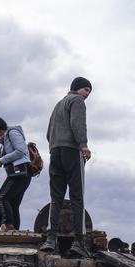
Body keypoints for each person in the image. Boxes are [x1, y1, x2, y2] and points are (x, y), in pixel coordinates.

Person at [40, 77, 93, 257]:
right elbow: (78, 123)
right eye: (87, 90)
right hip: (72, 150)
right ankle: (79, 241)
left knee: (56, 198)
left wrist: (55, 146)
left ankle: (51, 239)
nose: (88, 95)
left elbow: (48, 133)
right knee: (77, 197)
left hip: (55, 152)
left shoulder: (58, 104)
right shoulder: (77, 101)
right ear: (78, 89)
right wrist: (83, 145)